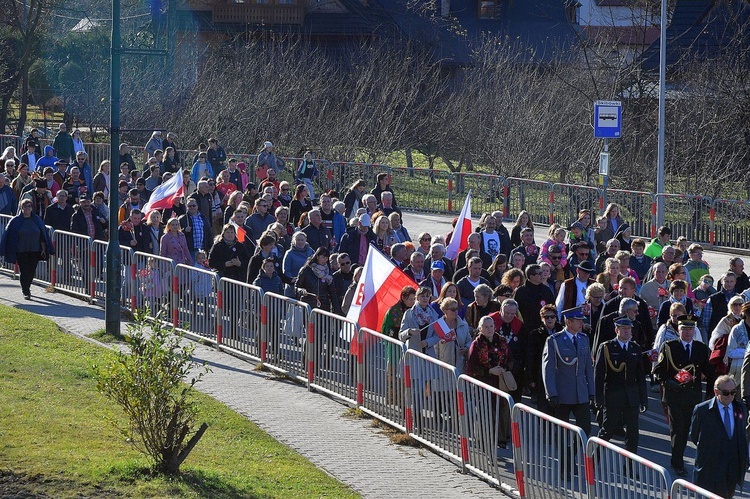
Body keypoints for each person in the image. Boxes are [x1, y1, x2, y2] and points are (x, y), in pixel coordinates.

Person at [653, 315, 714, 477]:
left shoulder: (701, 348)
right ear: (678, 330)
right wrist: (668, 382)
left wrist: (710, 392)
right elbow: (658, 371)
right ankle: (677, 462)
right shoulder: (669, 347)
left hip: (692, 396)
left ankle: (695, 462)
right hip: (674, 396)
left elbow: (709, 371)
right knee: (678, 430)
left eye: (690, 329)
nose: (688, 332)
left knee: (691, 430)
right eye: (684, 329)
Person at [542, 307, 596, 476]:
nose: (581, 324)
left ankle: (569, 457)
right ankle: (565, 465)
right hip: (562, 395)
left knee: (585, 429)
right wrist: (551, 393)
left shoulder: (583, 339)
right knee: (563, 433)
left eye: (582, 321)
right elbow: (548, 368)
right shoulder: (555, 340)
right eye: (578, 321)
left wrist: (592, 391)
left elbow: (588, 367)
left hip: (580, 393)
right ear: (568, 322)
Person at [594, 317, 648, 456]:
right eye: (623, 329)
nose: (627, 331)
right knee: (607, 431)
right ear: (616, 330)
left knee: (633, 434)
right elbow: (599, 375)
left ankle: (629, 467)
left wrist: (643, 399)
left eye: (629, 329)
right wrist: (598, 398)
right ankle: (593, 460)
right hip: (613, 396)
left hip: (631, 397)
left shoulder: (635, 348)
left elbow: (640, 376)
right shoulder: (607, 347)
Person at [690, 374, 748, 498]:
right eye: (726, 393)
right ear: (716, 391)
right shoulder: (702, 410)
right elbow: (694, 436)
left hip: (732, 467)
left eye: (733, 392)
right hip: (711, 466)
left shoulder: (740, 408)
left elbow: (741, 434)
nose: (730, 396)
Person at [466, 316, 513, 445]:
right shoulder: (476, 344)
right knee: (486, 411)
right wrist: (489, 371)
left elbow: (511, 360)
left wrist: (504, 368)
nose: (489, 329)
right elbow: (471, 367)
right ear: (480, 329)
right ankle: (485, 439)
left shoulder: (502, 341)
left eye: (491, 326)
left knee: (502, 409)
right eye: (486, 327)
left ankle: (502, 438)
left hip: (501, 382)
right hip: (484, 383)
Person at [0, 198, 54, 299]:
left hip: (35, 249)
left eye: (29, 206)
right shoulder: (15, 221)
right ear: (21, 207)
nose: (28, 208)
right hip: (21, 250)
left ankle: (27, 286)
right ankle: (26, 290)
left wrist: (43, 248)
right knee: (24, 270)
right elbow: (9, 235)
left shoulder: (37, 219)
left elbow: (43, 235)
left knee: (32, 271)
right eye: (25, 206)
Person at [296, 247, 340, 313]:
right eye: (323, 257)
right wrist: (301, 291)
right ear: (317, 256)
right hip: (308, 305)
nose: (325, 260)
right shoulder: (306, 270)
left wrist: (337, 309)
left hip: (324, 306)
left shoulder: (328, 272)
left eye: (327, 258)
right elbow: (296, 287)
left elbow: (332, 292)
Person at [399, 286, 439, 357]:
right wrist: (409, 331)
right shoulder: (408, 314)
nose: (425, 298)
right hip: (413, 355)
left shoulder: (434, 314)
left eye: (427, 296)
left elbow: (437, 336)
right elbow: (401, 336)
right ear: (417, 298)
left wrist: (427, 342)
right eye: (422, 296)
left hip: (429, 356)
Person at [513, 264, 555, 332]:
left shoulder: (546, 290)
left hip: (544, 329)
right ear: (531, 276)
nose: (542, 275)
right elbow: (516, 312)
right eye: (539, 273)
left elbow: (553, 308)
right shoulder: (521, 292)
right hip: (526, 329)